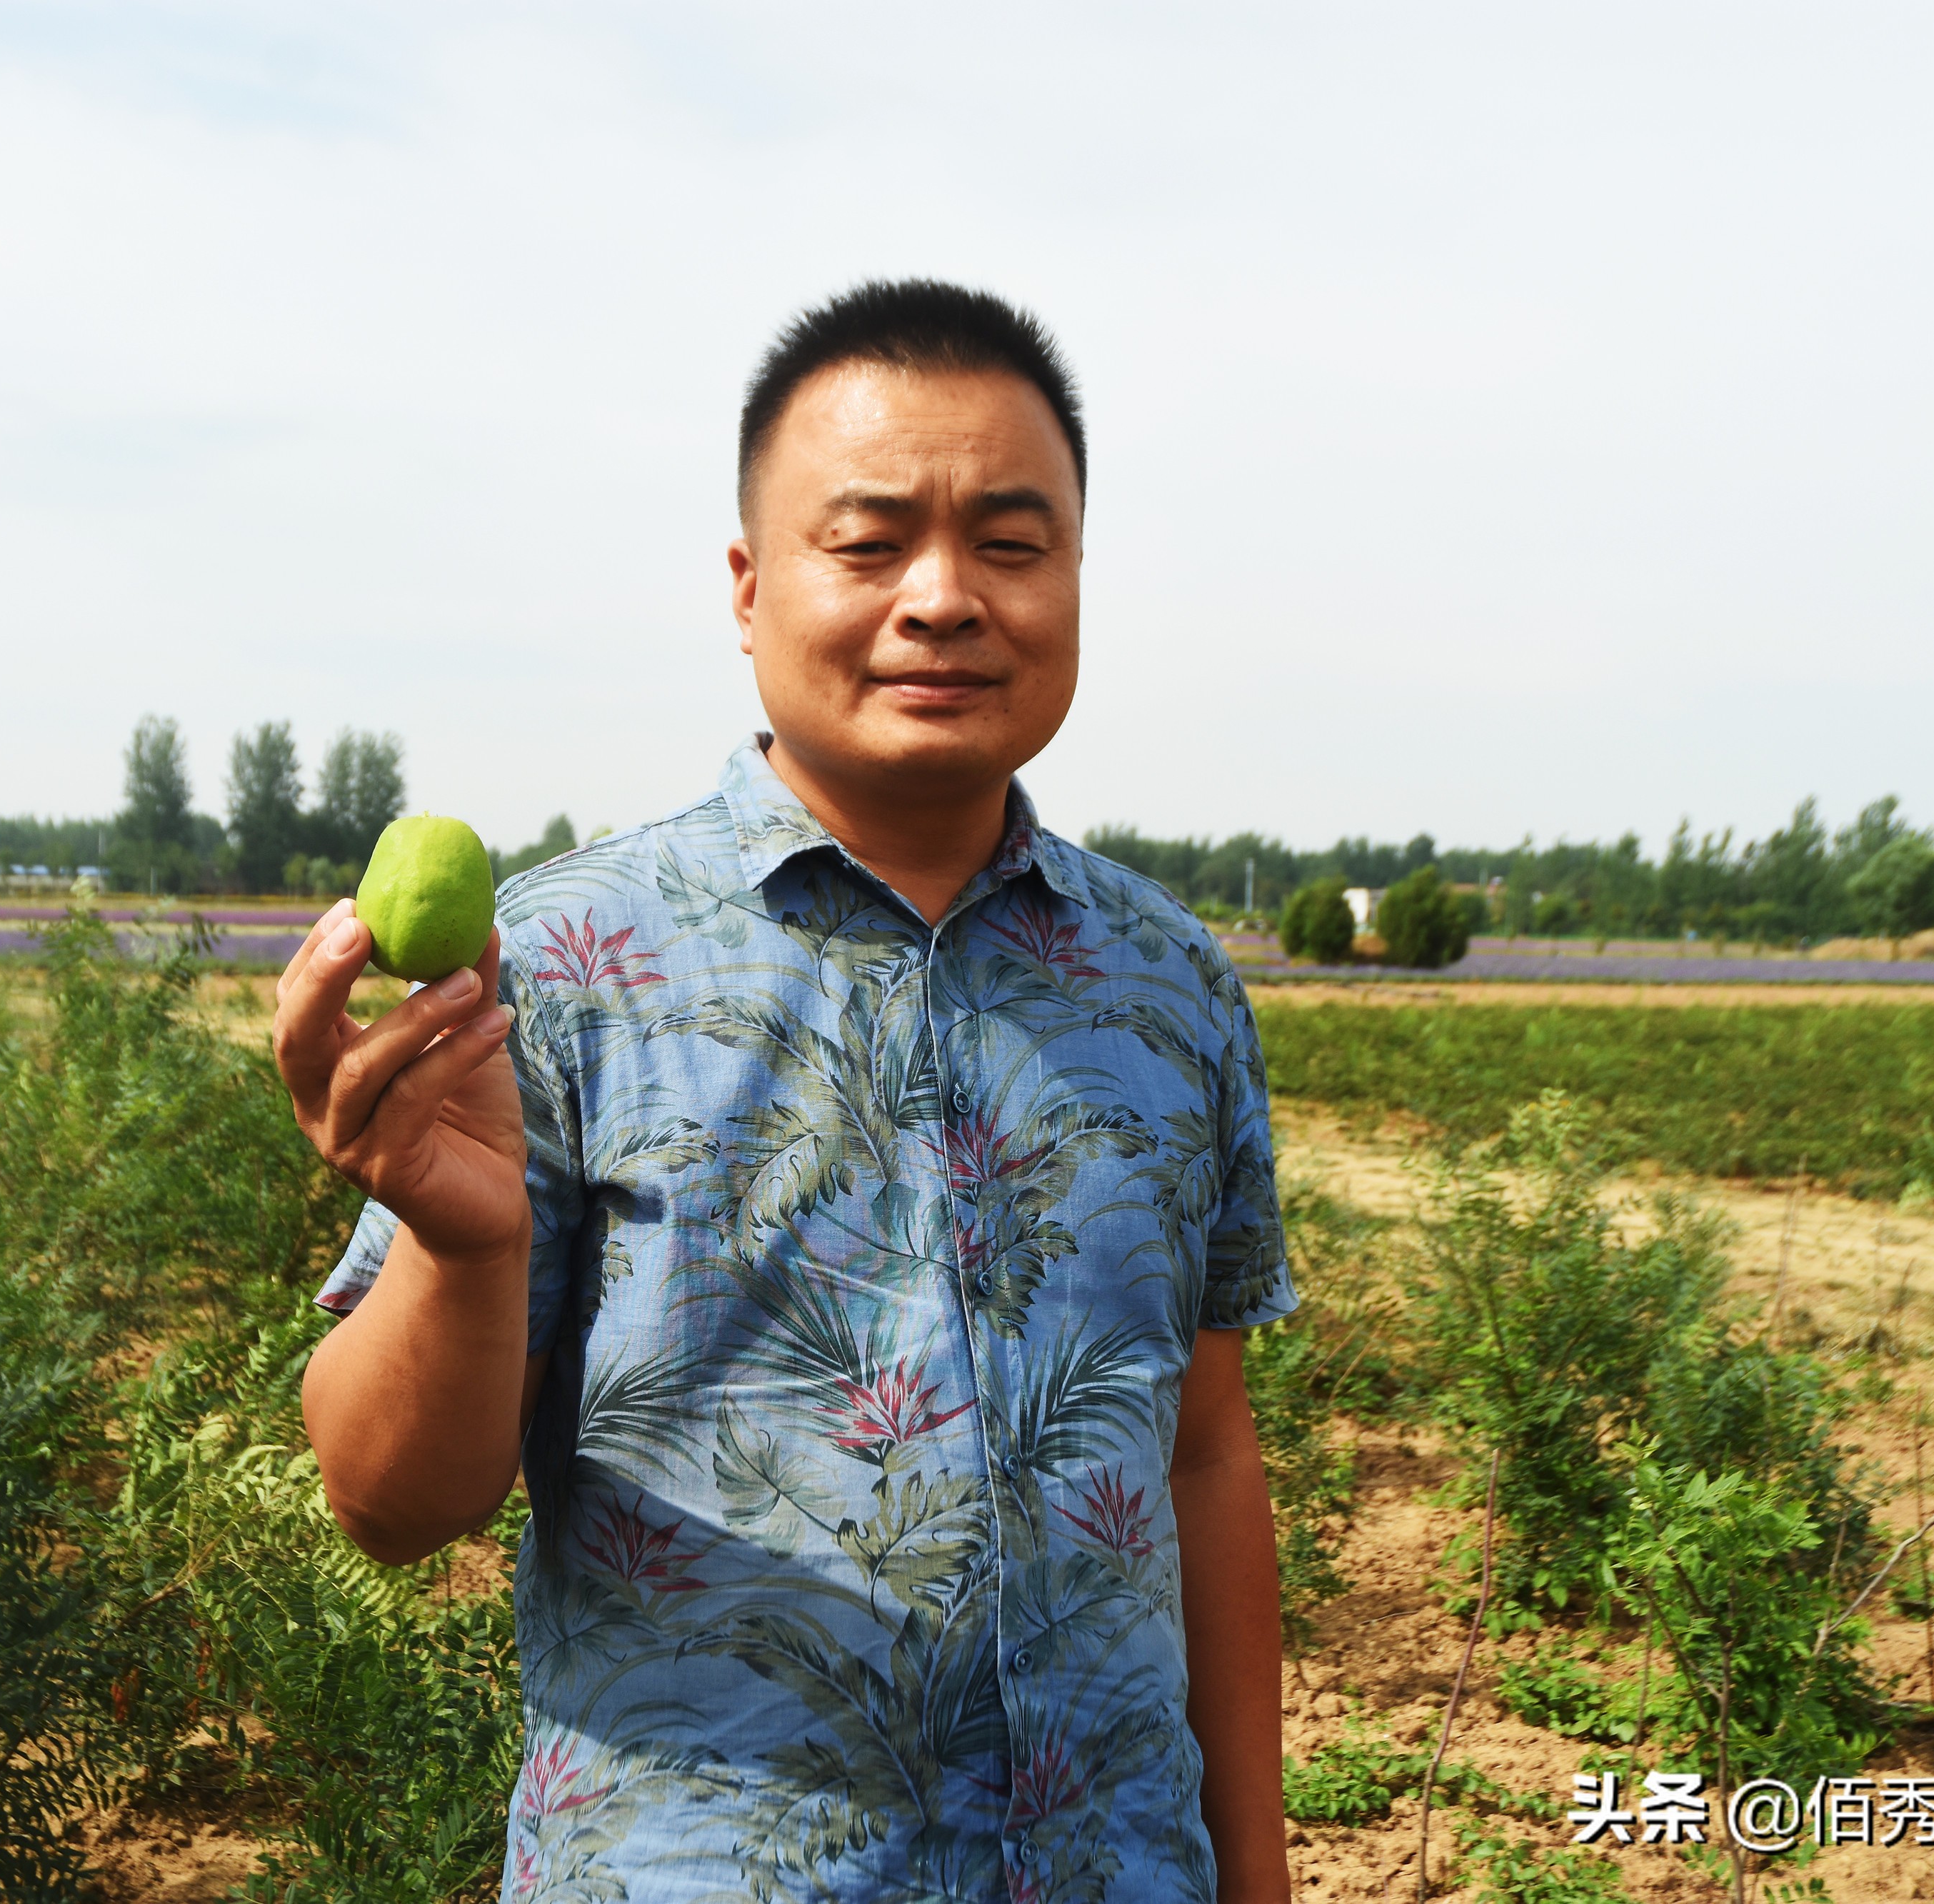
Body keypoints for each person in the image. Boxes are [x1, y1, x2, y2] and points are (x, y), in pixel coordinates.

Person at [279, 279, 1296, 1903]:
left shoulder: (1170, 984)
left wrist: (1256, 1874)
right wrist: (463, 1253)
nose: (944, 598)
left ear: (1076, 580)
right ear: (749, 590)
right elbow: (387, 1503)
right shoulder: (556, 969)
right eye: (871, 540)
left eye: (1011, 543)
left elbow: (1201, 1455)